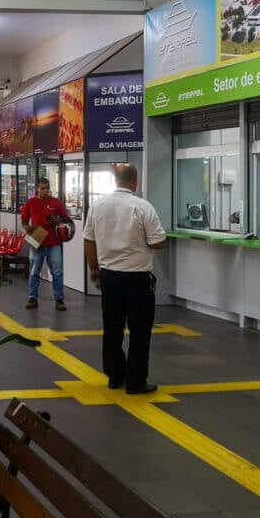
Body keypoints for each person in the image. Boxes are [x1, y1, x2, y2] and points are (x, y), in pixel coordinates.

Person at [82, 163, 167, 395]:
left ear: (115, 181)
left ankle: (114, 376)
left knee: (112, 328)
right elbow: (158, 242)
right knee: (140, 331)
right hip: (138, 279)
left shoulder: (98, 206)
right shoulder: (143, 207)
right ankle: (136, 381)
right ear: (135, 182)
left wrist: (94, 268)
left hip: (109, 277)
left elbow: (88, 240)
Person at [20, 177, 70, 311]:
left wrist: (58, 221)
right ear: (37, 189)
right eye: (42, 188)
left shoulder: (56, 202)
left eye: (47, 188)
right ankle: (32, 298)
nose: (45, 190)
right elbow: (24, 220)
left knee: (57, 272)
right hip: (37, 241)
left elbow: (66, 219)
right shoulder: (30, 203)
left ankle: (59, 299)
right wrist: (27, 228)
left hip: (54, 243)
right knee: (34, 272)